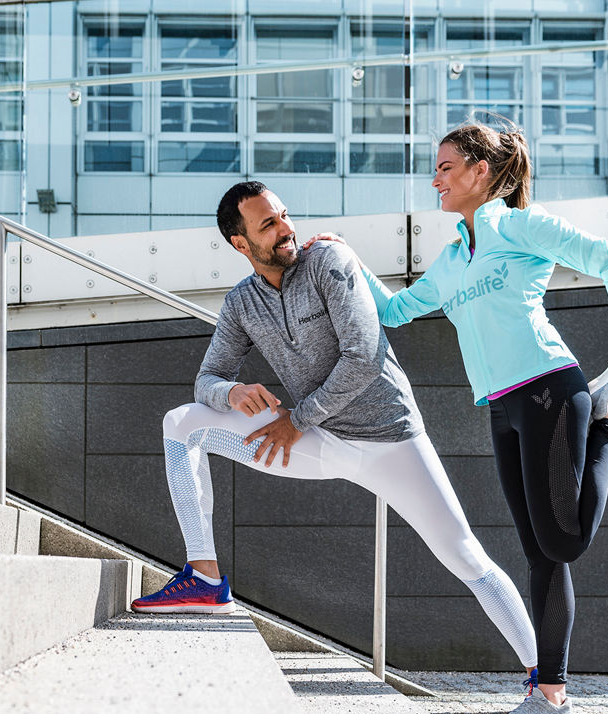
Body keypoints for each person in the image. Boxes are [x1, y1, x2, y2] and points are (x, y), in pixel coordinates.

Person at [132, 180, 540, 683]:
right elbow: (206, 379)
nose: (286, 229)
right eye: (268, 224)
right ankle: (204, 577)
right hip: (322, 443)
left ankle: (545, 679)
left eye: (284, 215)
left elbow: (364, 356)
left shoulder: (328, 263)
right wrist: (230, 393)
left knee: (464, 554)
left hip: (391, 441)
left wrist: (295, 420)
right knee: (182, 424)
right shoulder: (241, 303)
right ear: (241, 244)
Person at [346, 123, 608, 714]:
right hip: (502, 406)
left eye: (447, 167)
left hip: (547, 388)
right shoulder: (455, 255)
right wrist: (343, 260)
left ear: (481, 171)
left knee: (563, 544)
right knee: (540, 552)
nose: (436, 179)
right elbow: (398, 310)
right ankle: (551, 699)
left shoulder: (518, 225)